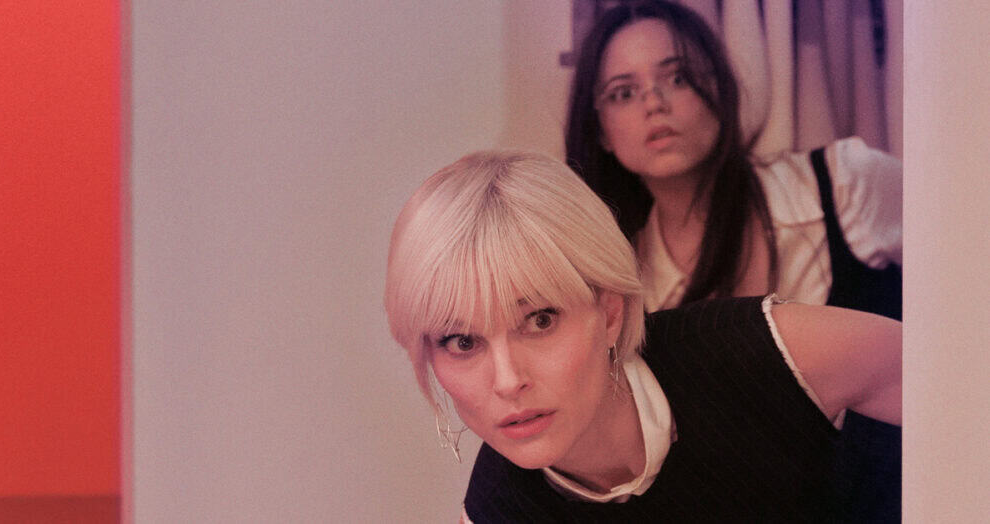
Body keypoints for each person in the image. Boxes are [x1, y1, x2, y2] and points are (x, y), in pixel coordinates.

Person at [384, 151, 900, 522]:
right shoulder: (499, 509)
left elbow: (950, 383)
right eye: (462, 342)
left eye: (539, 320)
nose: (507, 380)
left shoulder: (761, 351)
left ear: (610, 312)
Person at [564, 1, 902, 320]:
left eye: (678, 78)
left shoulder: (846, 181)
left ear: (720, 88)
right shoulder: (628, 284)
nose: (654, 103)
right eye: (623, 93)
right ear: (601, 131)